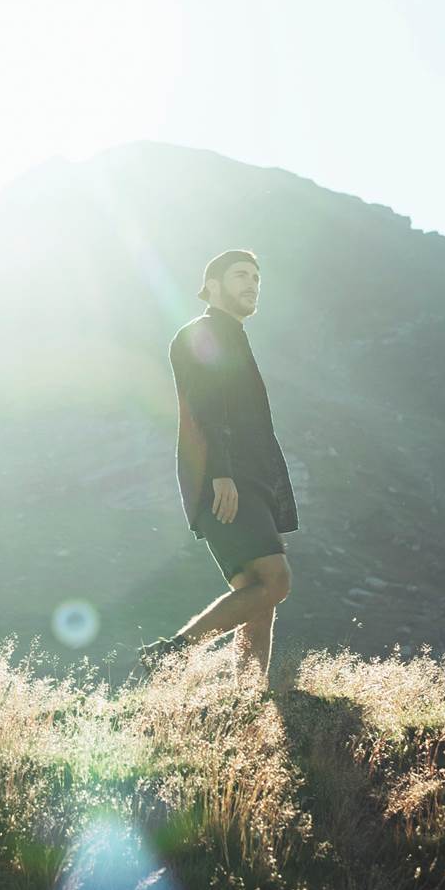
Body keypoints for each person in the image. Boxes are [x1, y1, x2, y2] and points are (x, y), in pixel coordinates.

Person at [140, 250, 300, 685]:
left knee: (258, 594)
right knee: (276, 580)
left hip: (248, 477)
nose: (252, 283)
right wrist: (220, 474)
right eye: (240, 275)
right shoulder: (203, 332)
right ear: (212, 285)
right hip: (227, 478)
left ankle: (246, 696)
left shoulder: (232, 334)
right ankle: (173, 654)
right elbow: (205, 403)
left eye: (256, 277)